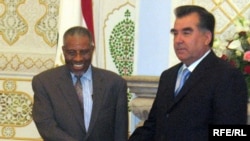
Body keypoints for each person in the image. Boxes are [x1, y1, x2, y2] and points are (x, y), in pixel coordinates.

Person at [128, 5, 248, 141]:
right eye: (175, 33)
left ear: (207, 37)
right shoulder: (169, 76)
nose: (178, 40)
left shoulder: (227, 76)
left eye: (186, 33)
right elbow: (153, 126)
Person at [32, 26, 128, 141]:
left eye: (84, 52)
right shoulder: (45, 82)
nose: (78, 59)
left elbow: (120, 131)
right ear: (63, 51)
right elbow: (46, 126)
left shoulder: (114, 83)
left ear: (92, 49)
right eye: (71, 53)